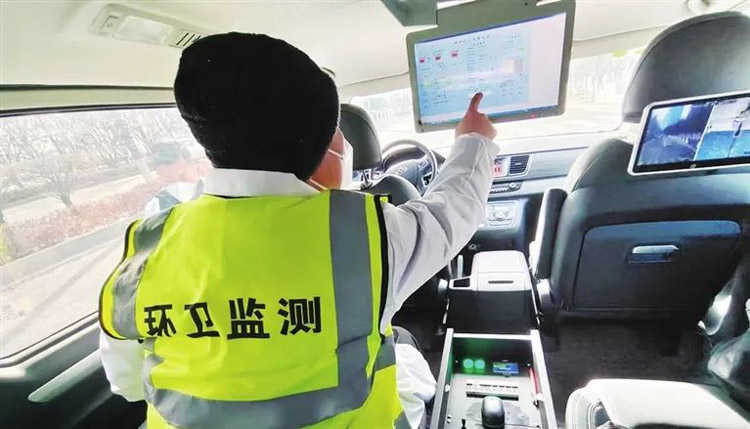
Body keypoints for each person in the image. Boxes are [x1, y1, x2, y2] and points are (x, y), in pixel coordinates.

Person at [98, 33, 498, 429]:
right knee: (403, 346)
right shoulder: (367, 236)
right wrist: (474, 140)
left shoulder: (145, 250)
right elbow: (453, 211)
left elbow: (128, 383)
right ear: (326, 146)